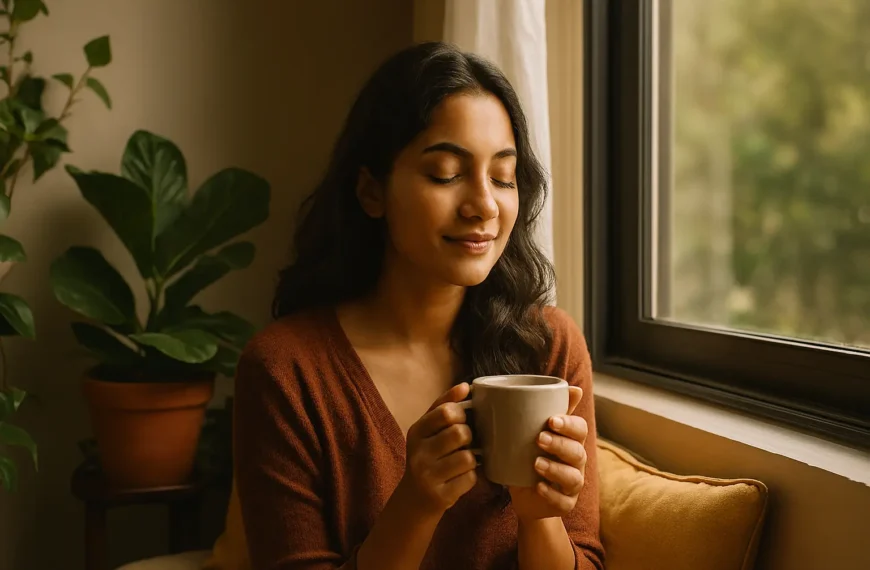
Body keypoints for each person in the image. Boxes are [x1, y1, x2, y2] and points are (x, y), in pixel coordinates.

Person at [234, 41, 604, 570]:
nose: (483, 205)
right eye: (446, 174)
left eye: (503, 177)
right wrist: (415, 504)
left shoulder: (549, 349)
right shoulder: (286, 371)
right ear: (371, 191)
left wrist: (540, 516)